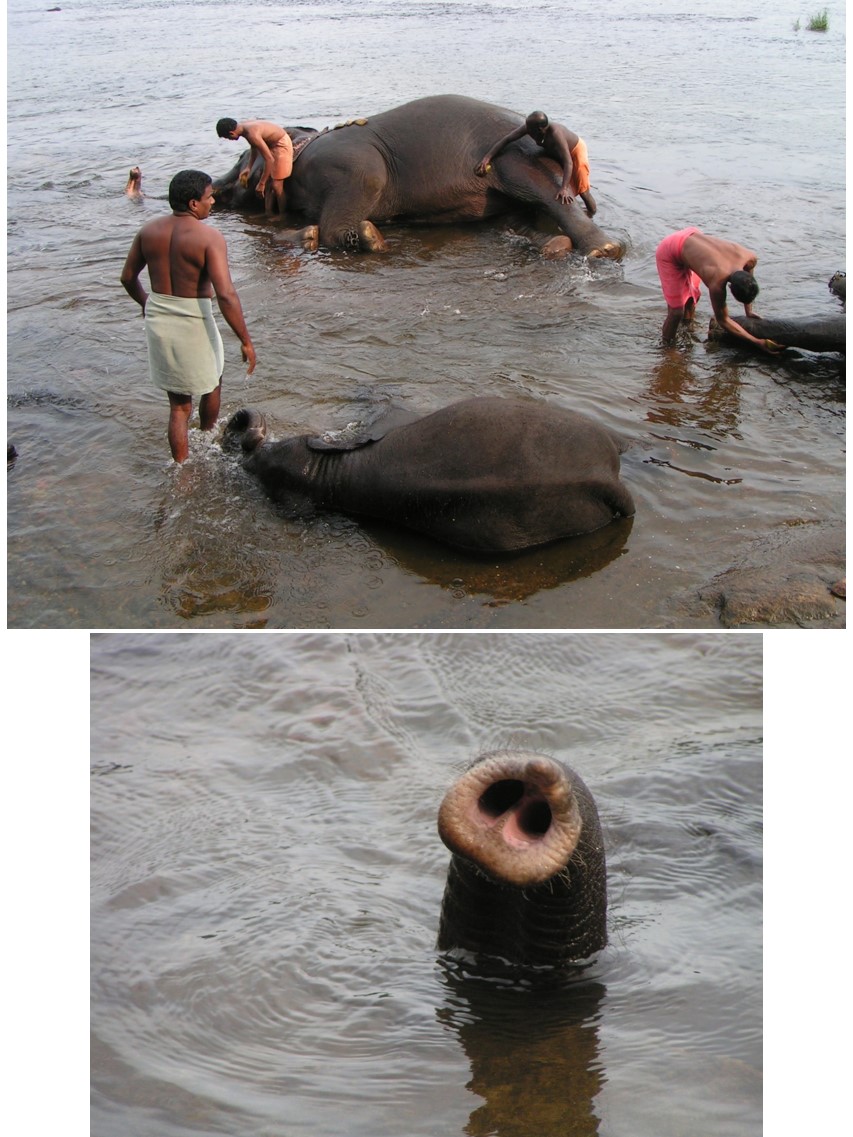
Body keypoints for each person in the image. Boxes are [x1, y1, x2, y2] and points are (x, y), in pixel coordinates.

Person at [120, 168, 256, 463]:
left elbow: (128, 277)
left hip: (159, 316)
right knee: (213, 380)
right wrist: (245, 340)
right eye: (209, 198)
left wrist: (146, 304)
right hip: (193, 317)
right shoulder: (209, 237)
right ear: (193, 204)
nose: (213, 203)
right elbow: (226, 294)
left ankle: (180, 469)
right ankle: (207, 438)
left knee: (179, 406)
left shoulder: (148, 231)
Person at [655, 227, 780, 351]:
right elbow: (723, 320)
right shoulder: (717, 281)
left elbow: (749, 274)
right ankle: (667, 348)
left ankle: (687, 329)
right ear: (729, 287)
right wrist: (757, 342)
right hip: (669, 250)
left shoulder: (750, 258)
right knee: (676, 312)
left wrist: (749, 312)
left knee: (691, 299)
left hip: (692, 237)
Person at [475, 110, 597, 216]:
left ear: (540, 130)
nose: (526, 129)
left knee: (583, 190)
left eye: (529, 128)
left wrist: (563, 188)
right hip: (555, 151)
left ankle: (592, 214)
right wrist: (487, 157)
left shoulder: (555, 134)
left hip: (575, 150)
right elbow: (507, 139)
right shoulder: (532, 129)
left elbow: (568, 162)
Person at [216, 117, 293, 216]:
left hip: (280, 144)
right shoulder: (243, 128)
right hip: (270, 145)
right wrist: (248, 167)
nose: (230, 140)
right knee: (270, 183)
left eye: (228, 138)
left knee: (276, 185)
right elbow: (254, 147)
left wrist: (261, 183)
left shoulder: (252, 133)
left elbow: (269, 159)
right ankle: (268, 212)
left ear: (231, 133)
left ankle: (283, 215)